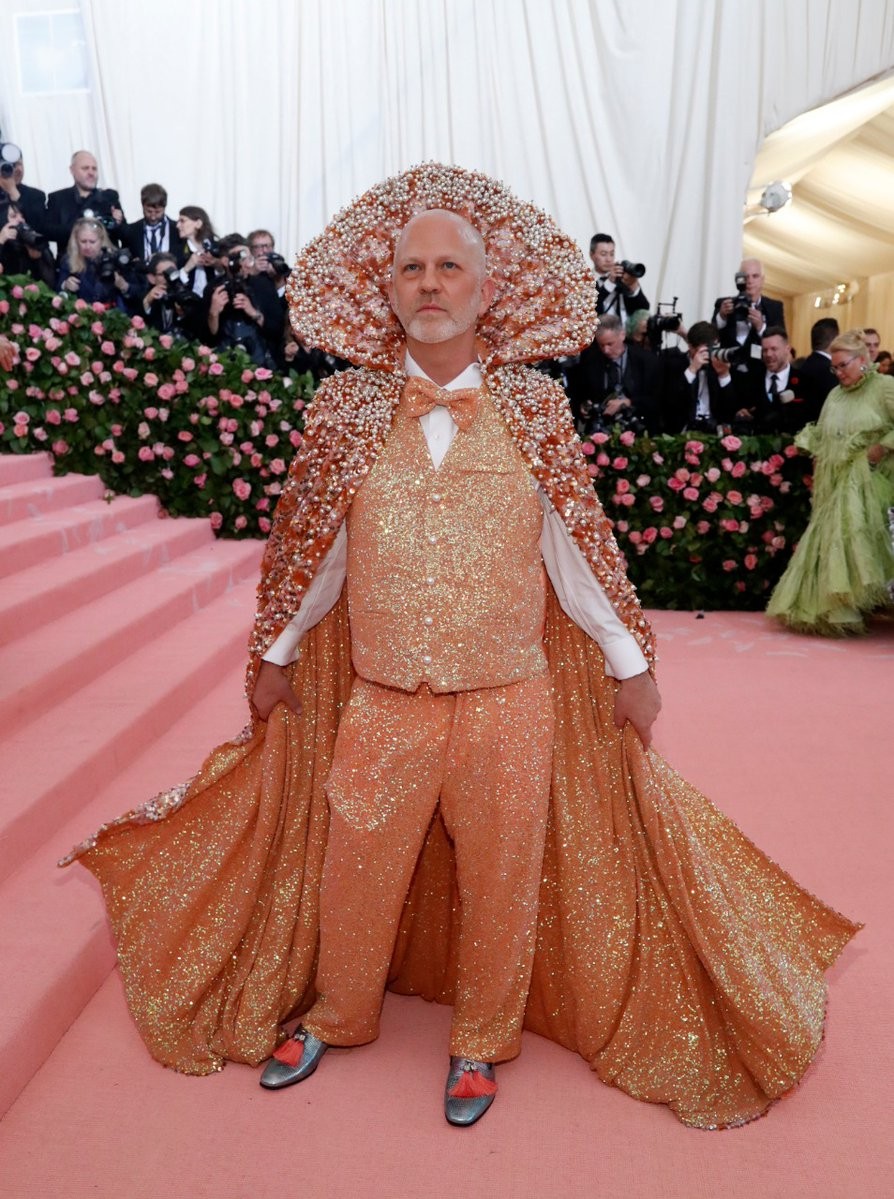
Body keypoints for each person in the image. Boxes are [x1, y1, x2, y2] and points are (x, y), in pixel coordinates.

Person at [62, 165, 859, 1132]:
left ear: (489, 289)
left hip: (508, 697)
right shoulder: (348, 412)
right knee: (356, 863)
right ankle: (338, 1012)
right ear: (386, 288)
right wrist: (275, 648)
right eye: (412, 268)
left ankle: (481, 1039)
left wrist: (630, 664)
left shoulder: (535, 410)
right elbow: (319, 549)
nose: (430, 284)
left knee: (503, 870)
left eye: (450, 268)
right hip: (383, 696)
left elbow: (573, 545)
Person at [767, 329, 894, 635]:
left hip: (873, 479)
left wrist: (879, 449)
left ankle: (851, 607)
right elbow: (823, 435)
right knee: (834, 543)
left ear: (863, 360)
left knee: (854, 539)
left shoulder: (884, 387)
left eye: (843, 365)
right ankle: (840, 606)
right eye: (834, 367)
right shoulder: (834, 395)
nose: (838, 373)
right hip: (833, 480)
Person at [45, 150, 124, 260]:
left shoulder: (109, 197)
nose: (91, 173)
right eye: (85, 168)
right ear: (72, 170)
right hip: (70, 267)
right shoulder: (57, 198)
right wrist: (82, 227)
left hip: (105, 266)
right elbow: (48, 231)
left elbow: (123, 234)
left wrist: (118, 223)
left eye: (94, 168)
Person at [56, 217, 136, 308]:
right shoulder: (68, 261)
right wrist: (65, 285)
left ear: (101, 241)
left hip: (112, 314)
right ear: (76, 241)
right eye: (83, 241)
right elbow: (58, 292)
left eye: (92, 242)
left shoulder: (116, 259)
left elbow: (137, 292)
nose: (87, 246)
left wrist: (124, 286)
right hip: (82, 314)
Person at [588, 232, 649, 319]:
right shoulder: (585, 280)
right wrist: (609, 282)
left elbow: (643, 311)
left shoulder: (621, 278)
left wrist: (633, 286)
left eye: (612, 254)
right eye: (603, 254)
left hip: (624, 331)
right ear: (592, 255)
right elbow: (590, 310)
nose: (609, 259)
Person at [121, 183, 184, 265]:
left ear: (164, 207)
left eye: (158, 212)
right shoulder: (131, 231)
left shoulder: (178, 230)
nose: (153, 217)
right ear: (142, 206)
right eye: (149, 211)